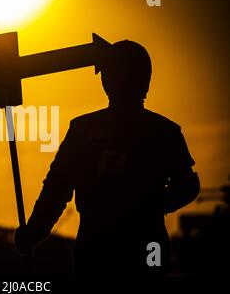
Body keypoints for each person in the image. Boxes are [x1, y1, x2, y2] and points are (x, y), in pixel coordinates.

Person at [13, 40, 200, 278]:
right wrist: (151, 205)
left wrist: (34, 232)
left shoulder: (83, 130)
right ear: (146, 80)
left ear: (107, 81)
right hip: (142, 245)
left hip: (97, 248)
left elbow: (56, 189)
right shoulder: (164, 131)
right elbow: (188, 185)